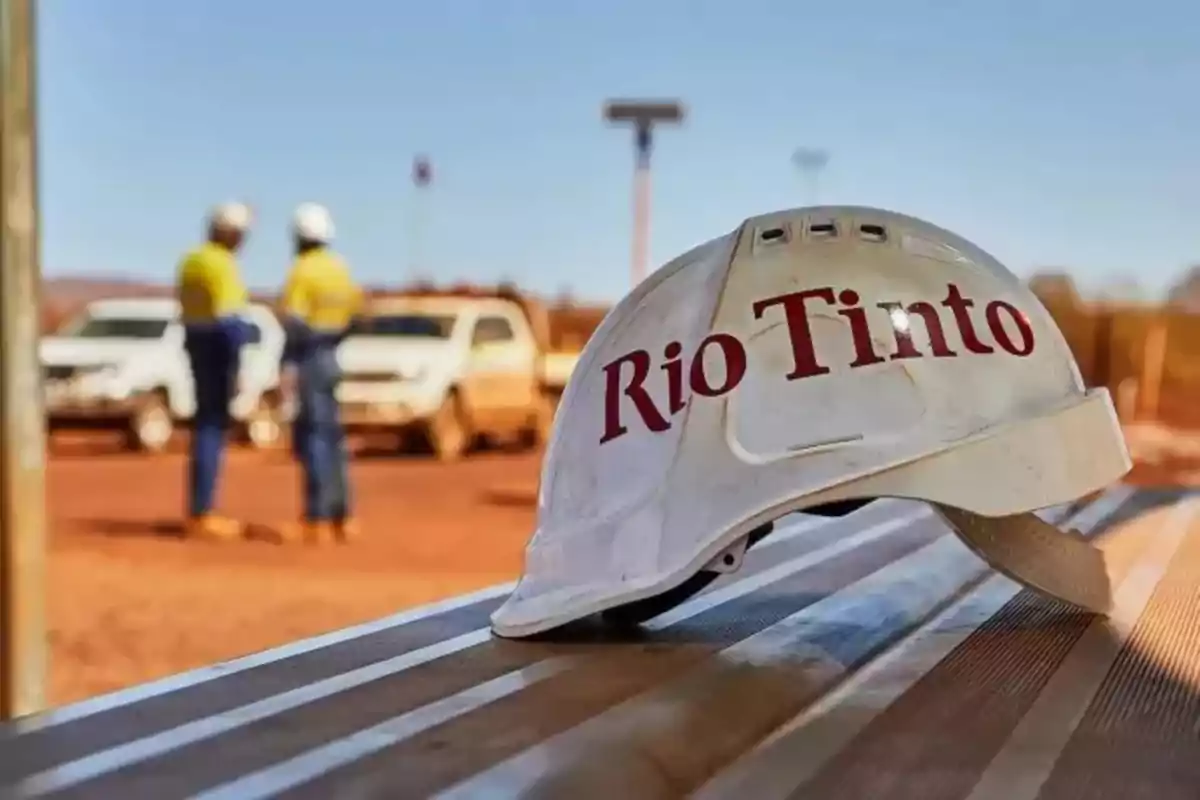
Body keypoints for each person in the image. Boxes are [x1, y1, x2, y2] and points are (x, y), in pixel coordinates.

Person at [275, 203, 364, 544]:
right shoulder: (340, 270)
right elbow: (356, 315)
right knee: (334, 437)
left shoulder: (302, 270)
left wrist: (294, 354)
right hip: (333, 357)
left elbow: (293, 320)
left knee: (312, 436)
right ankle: (344, 515)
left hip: (310, 357)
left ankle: (317, 518)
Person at [175, 202, 256, 541]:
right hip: (218, 349)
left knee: (203, 427)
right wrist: (247, 344)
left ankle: (198, 508)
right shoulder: (223, 264)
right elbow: (229, 321)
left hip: (195, 343)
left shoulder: (190, 261)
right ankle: (204, 511)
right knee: (212, 427)